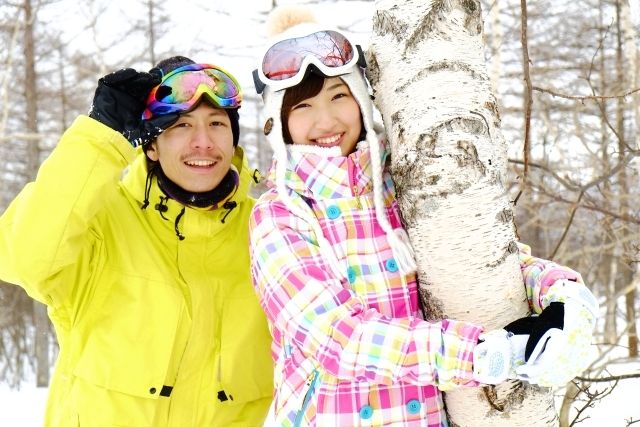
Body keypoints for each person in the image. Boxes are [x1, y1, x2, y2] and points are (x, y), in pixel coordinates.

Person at [248, 8, 599, 426]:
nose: (326, 120)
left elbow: (476, 257)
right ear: (280, 121)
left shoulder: (404, 183)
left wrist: (560, 291)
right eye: (303, 106)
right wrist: (480, 354)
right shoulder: (280, 214)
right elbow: (338, 340)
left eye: (339, 96)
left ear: (362, 99)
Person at [0, 56, 273, 426]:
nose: (203, 142)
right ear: (151, 147)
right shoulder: (101, 221)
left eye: (217, 124)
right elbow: (23, 257)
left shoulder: (269, 233)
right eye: (181, 126)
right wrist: (101, 136)